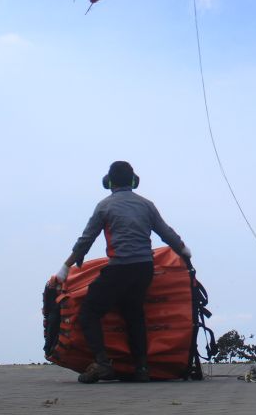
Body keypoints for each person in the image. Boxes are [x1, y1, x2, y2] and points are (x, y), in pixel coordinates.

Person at [55, 160, 192, 383]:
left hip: (120, 268)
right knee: (134, 315)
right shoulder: (147, 205)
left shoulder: (104, 206)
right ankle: (142, 369)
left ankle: (102, 364)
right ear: (133, 181)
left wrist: (66, 266)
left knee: (89, 311)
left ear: (108, 182)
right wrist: (184, 251)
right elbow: (166, 233)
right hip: (144, 269)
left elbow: (86, 240)